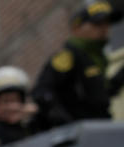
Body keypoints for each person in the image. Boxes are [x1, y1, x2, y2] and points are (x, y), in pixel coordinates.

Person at [31, 0, 124, 130]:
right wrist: (68, 124)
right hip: (81, 137)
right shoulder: (69, 56)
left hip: (100, 129)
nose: (104, 28)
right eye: (97, 23)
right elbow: (41, 92)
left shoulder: (96, 58)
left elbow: (100, 96)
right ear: (77, 28)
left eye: (106, 23)